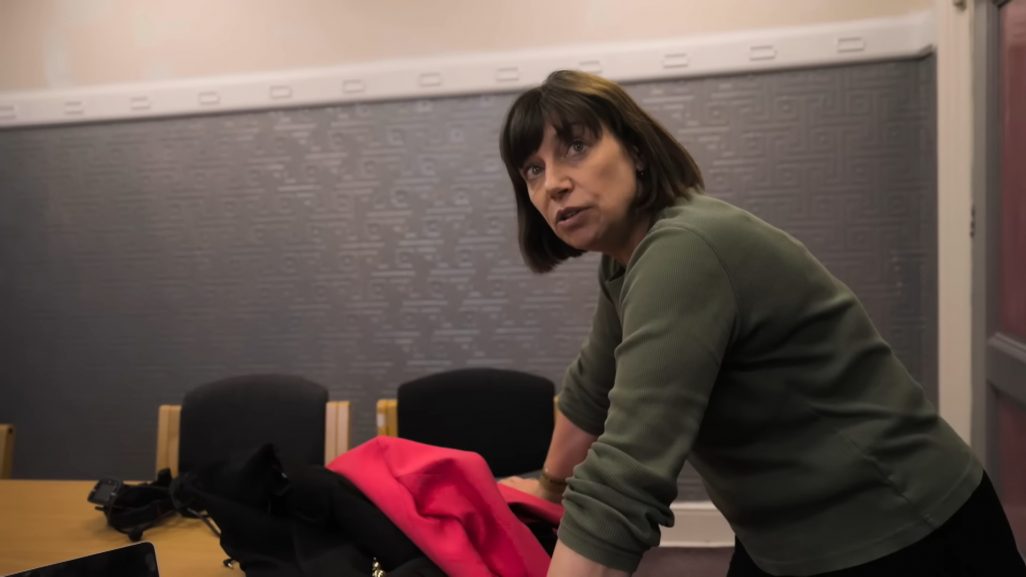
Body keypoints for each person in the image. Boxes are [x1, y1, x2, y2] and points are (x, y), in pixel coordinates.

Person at [497, 70, 1025, 577]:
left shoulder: (683, 252)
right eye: (533, 170)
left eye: (575, 147)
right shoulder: (624, 263)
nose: (554, 184)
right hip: (783, 534)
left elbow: (626, 474)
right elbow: (591, 391)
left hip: (898, 520)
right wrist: (550, 489)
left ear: (635, 151)